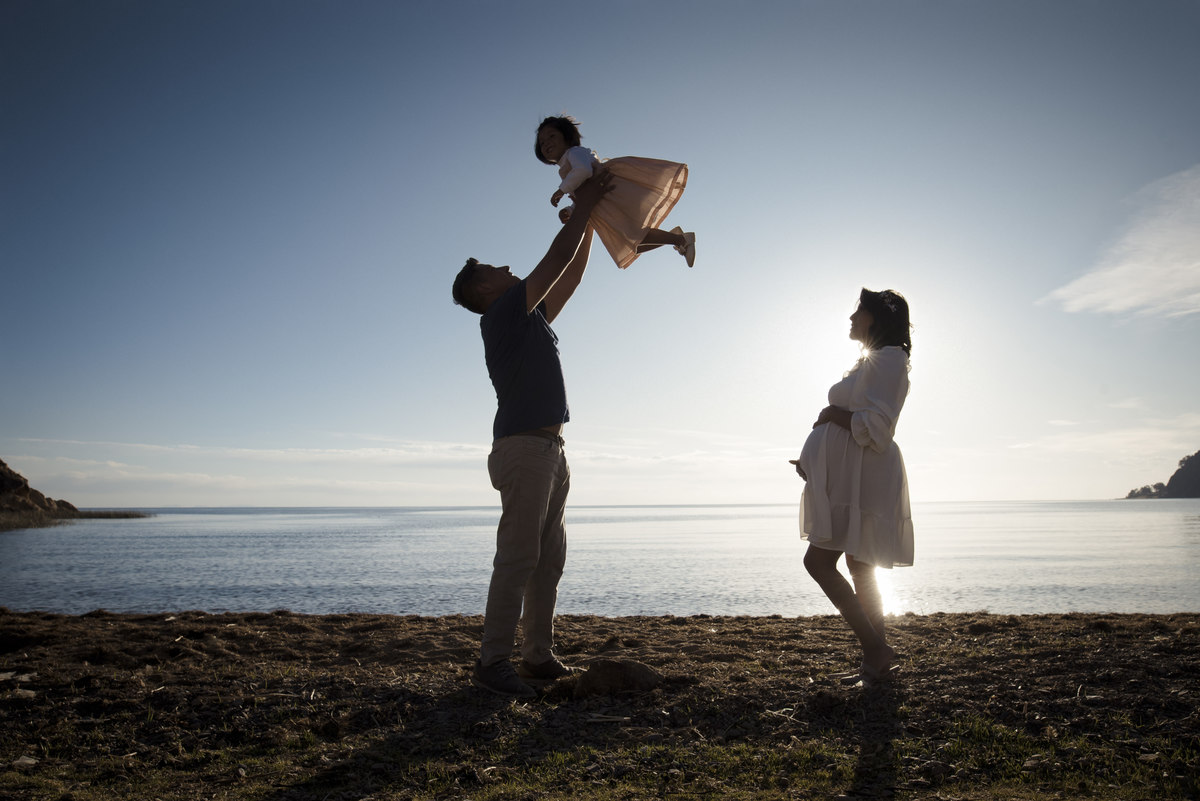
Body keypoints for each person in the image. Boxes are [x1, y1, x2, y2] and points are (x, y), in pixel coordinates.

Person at [450, 169, 612, 698]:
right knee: (519, 556)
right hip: (523, 448)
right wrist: (584, 206)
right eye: (491, 266)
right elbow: (554, 259)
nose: (503, 264)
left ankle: (536, 656)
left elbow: (571, 273)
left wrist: (587, 225)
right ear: (483, 288)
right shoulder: (501, 314)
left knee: (548, 559)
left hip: (550, 449)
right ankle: (494, 660)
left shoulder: (529, 316)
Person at [790, 288, 914, 684]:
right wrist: (816, 461)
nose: (850, 318)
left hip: (867, 476)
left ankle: (876, 648)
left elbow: (878, 428)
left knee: (818, 562)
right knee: (859, 565)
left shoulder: (892, 360)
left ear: (875, 318)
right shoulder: (872, 362)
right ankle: (876, 661)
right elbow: (856, 420)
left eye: (857, 311)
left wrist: (831, 415)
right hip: (850, 477)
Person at [535, 115, 695, 269]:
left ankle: (681, 239)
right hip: (602, 207)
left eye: (552, 136)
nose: (546, 143)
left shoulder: (574, 153)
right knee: (631, 244)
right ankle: (676, 238)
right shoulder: (566, 168)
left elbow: (584, 170)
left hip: (610, 196)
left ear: (566, 136)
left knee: (634, 236)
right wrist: (571, 210)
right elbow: (582, 195)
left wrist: (561, 190)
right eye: (542, 142)